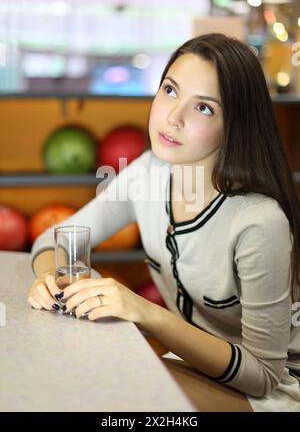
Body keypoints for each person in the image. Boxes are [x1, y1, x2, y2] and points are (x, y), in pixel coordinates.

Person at [28, 33, 300, 411]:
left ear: (235, 124)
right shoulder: (147, 173)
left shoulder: (258, 220)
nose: (173, 118)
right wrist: (50, 279)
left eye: (204, 108)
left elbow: (264, 375)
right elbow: (51, 240)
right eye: (170, 90)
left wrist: (143, 311)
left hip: (275, 390)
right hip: (193, 368)